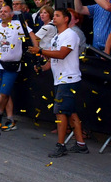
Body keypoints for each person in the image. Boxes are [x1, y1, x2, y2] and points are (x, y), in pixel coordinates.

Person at [34, 8, 88, 158]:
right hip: (60, 79)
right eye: (54, 15)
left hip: (68, 78)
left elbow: (63, 54)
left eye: (57, 15)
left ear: (66, 19)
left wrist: (40, 51)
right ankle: (81, 144)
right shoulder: (56, 37)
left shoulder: (71, 35)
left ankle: (61, 145)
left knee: (60, 112)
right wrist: (42, 67)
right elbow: (53, 59)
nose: (54, 17)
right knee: (70, 112)